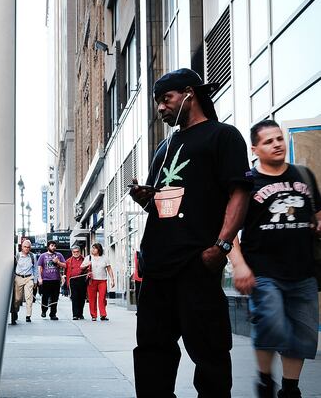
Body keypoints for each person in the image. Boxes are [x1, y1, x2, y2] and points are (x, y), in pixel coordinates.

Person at [129, 68, 251, 397]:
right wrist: (146, 199)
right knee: (152, 352)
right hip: (157, 267)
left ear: (189, 94)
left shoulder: (222, 136)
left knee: (209, 354)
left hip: (197, 263)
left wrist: (221, 246)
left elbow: (240, 193)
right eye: (157, 101)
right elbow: (164, 206)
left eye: (166, 99)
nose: (160, 108)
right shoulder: (163, 149)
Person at [228, 120, 320, 398]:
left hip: (303, 271)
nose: (277, 144)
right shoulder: (247, 183)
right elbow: (229, 228)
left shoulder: (303, 175)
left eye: (279, 138)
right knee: (272, 324)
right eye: (268, 141)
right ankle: (266, 379)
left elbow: (317, 213)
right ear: (255, 149)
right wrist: (239, 264)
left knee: (302, 334)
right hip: (264, 273)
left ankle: (290, 389)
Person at [81, 243, 115, 321]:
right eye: (92, 248)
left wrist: (112, 280)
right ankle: (93, 315)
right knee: (92, 298)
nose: (92, 250)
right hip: (91, 280)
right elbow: (81, 267)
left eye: (94, 248)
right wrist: (87, 264)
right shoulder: (88, 258)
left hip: (102, 280)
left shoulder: (105, 258)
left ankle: (103, 315)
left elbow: (109, 269)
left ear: (99, 249)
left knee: (102, 298)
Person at [37, 240, 66, 320]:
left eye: (55, 246)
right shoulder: (43, 256)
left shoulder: (59, 255)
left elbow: (65, 265)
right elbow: (39, 267)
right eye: (52, 245)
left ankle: (53, 314)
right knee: (45, 297)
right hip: (46, 280)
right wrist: (40, 278)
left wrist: (58, 262)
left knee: (55, 297)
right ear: (48, 247)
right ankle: (44, 310)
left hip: (56, 280)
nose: (54, 247)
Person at [11, 239, 37, 324]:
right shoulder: (17, 256)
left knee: (29, 298)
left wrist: (35, 280)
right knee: (17, 299)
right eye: (25, 247)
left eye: (28, 247)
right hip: (18, 278)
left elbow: (35, 269)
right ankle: (15, 312)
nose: (26, 248)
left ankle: (28, 316)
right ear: (22, 247)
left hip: (29, 278)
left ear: (30, 248)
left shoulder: (33, 256)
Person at [65, 245, 88, 320]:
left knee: (82, 298)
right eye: (74, 252)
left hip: (82, 280)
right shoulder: (68, 261)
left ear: (80, 252)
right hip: (72, 280)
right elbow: (65, 270)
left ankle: (80, 314)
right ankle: (75, 315)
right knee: (74, 297)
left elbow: (88, 269)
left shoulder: (85, 259)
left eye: (77, 251)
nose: (76, 253)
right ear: (72, 252)